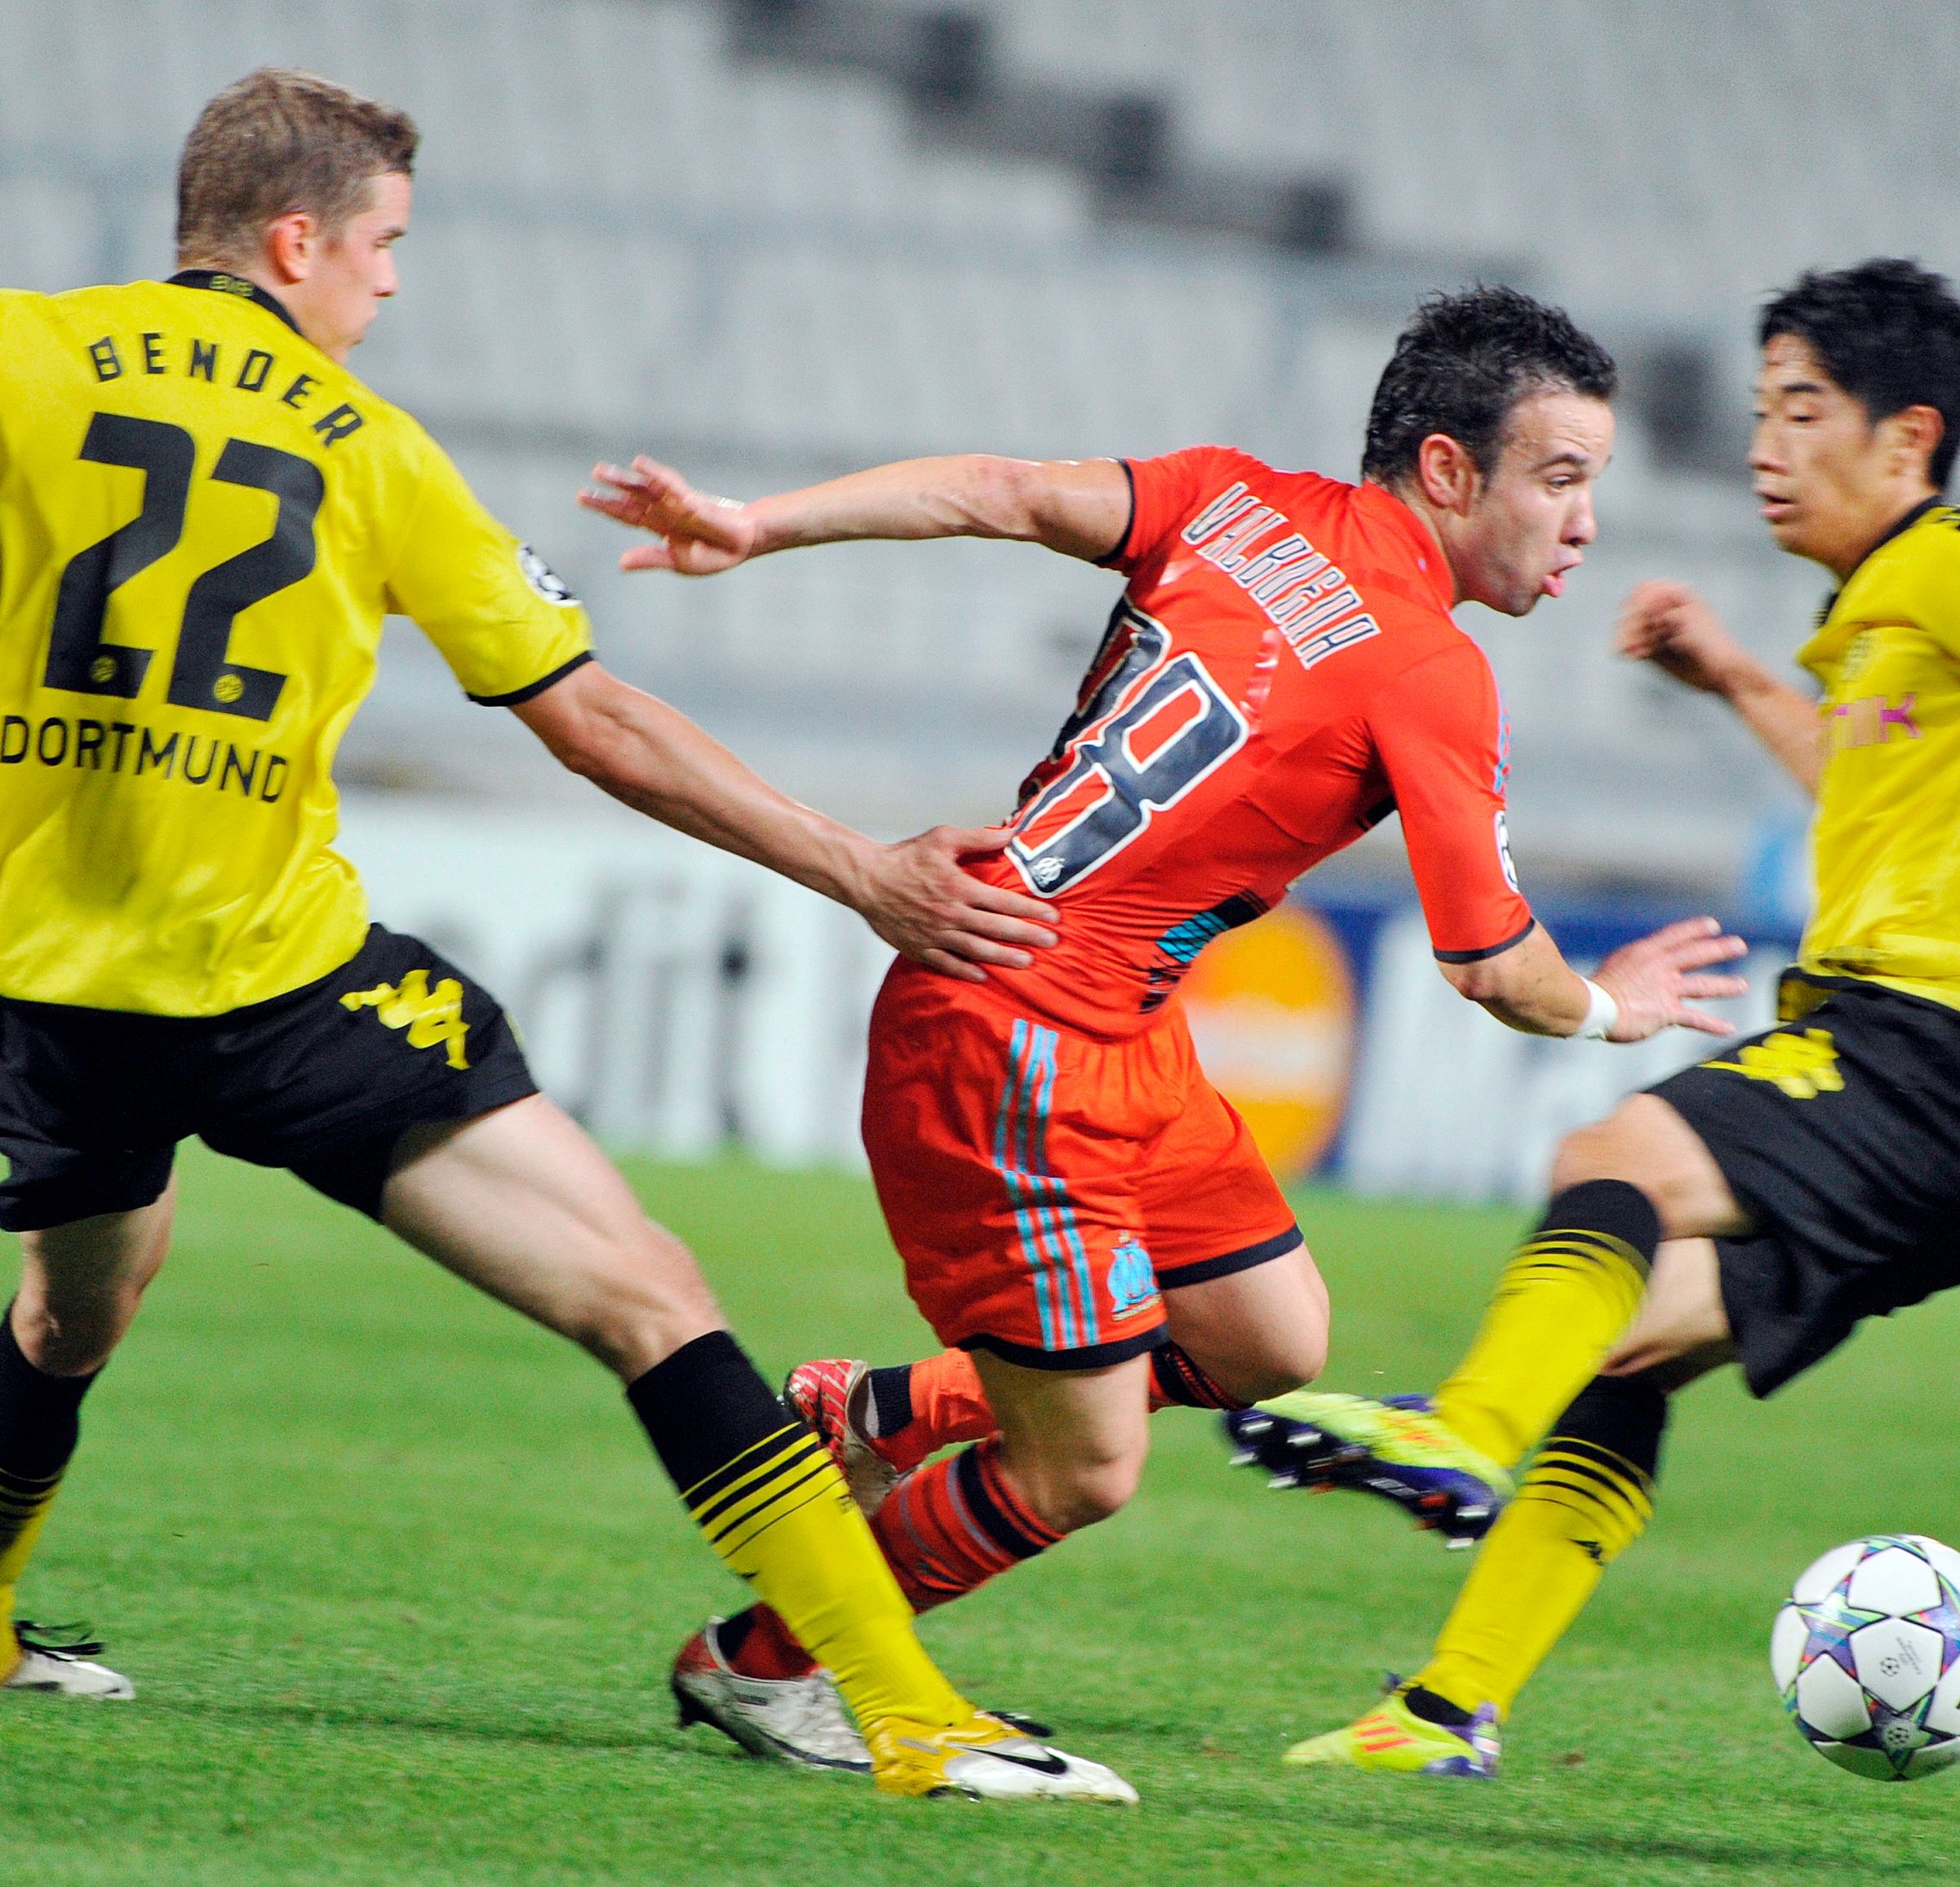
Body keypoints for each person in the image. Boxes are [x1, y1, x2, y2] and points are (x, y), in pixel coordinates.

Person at [0, 67, 1137, 1803]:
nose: (394, 287)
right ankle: (896, 1713)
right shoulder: (369, 446)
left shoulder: (7, 343)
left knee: (72, 1310)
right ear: (294, 241)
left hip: (61, 995)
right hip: (286, 985)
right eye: (389, 244)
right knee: (648, 1296)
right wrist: (858, 870)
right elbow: (597, 722)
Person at [1237, 258, 1960, 1780]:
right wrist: (1734, 673)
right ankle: (1446, 1711)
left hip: (1932, 1051)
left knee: (1618, 1153)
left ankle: (1463, 1431)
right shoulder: (1880, 615)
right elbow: (1871, 799)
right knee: (1623, 1346)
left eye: (1803, 411)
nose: (1764, 449)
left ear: (1909, 441)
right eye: (1757, 413)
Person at [583, 286, 1750, 1766]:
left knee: (1273, 1337)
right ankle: (766, 1660)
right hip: (1013, 1035)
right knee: (1084, 1471)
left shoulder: (1232, 498)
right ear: (1450, 473)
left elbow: (997, 491)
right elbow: (1493, 965)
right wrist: (1612, 1009)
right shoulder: (1430, 670)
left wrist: (760, 525)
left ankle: (884, 1408)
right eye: (1561, 478)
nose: (1585, 523)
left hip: (1105, 1022)